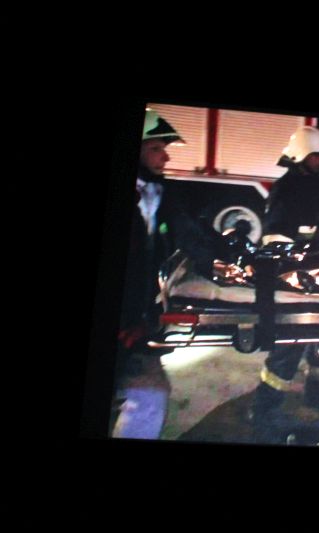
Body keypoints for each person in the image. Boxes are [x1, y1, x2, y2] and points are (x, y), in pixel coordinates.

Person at [111, 109, 223, 439]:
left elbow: (191, 235)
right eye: (156, 148)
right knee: (148, 396)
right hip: (126, 322)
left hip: (137, 322)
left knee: (150, 395)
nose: (166, 156)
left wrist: (221, 260)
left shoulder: (160, 193)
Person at [252, 125, 319, 444]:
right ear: (302, 155)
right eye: (318, 156)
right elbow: (274, 235)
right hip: (290, 274)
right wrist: (293, 261)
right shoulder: (285, 188)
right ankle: (264, 411)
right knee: (289, 345)